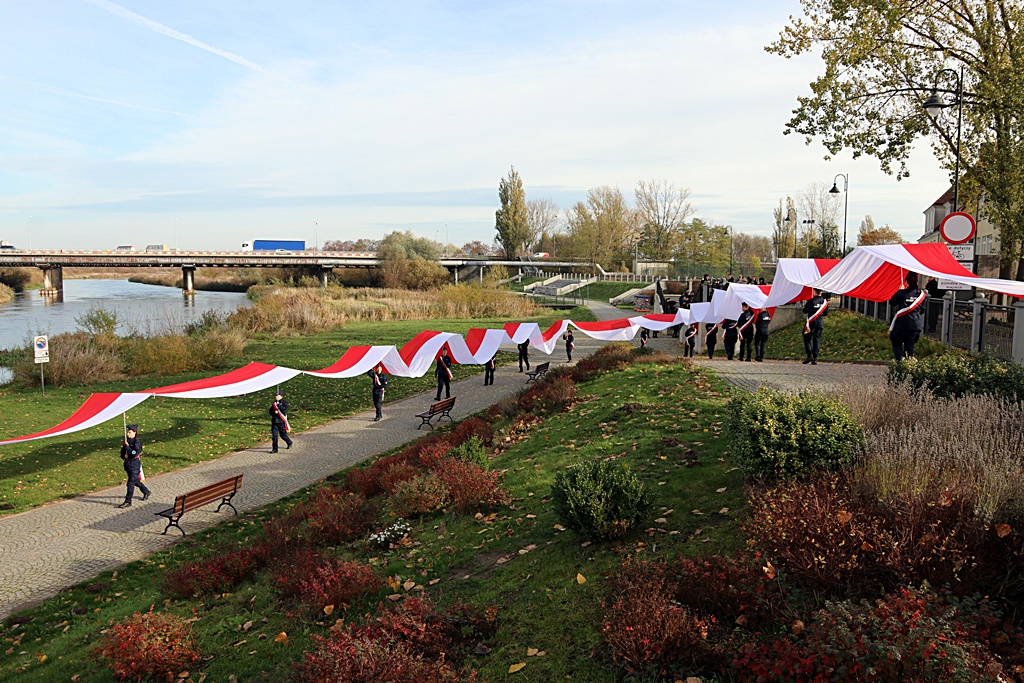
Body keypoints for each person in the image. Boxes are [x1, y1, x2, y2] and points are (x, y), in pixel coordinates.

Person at [889, 273, 927, 361]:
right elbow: (922, 310)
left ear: (906, 281)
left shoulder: (902, 293)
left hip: (902, 323)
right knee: (910, 345)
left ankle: (901, 359)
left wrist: (899, 291)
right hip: (915, 324)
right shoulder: (921, 294)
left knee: (895, 341)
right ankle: (909, 364)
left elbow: (892, 302)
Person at [116, 424, 150, 508]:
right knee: (135, 481)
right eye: (128, 432)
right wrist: (124, 455)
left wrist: (127, 448)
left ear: (134, 432)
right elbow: (122, 452)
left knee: (130, 484)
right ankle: (146, 491)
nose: (128, 434)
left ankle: (128, 501)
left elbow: (134, 453)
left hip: (134, 465)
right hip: (128, 464)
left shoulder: (136, 443)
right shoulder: (127, 441)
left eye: (129, 432)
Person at [802, 289, 829, 365]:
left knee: (807, 338)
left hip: (810, 323)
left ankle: (809, 355)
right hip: (819, 323)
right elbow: (825, 313)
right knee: (816, 340)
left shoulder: (811, 301)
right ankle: (815, 358)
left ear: (814, 292)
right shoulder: (825, 302)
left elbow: (805, 310)